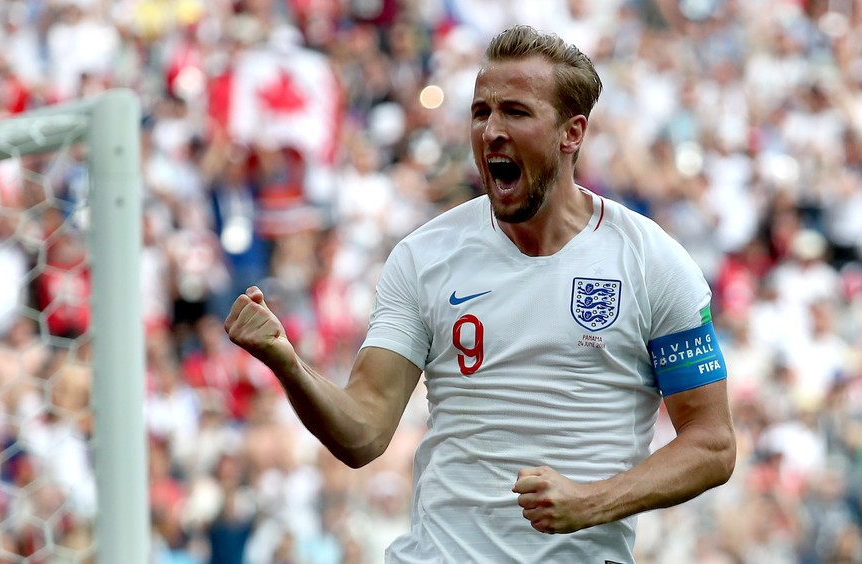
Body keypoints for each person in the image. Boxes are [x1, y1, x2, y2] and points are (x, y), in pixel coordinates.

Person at [225, 24, 736, 563]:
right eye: (480, 112)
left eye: (515, 112)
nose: (491, 130)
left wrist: (592, 503)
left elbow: (712, 444)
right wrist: (286, 361)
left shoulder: (652, 261)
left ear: (572, 133)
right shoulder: (424, 257)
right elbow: (363, 434)